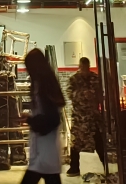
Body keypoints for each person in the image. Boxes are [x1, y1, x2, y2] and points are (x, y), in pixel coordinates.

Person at [22, 48, 65, 184]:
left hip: (45, 148)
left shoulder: (44, 87)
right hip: (45, 149)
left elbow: (51, 118)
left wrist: (31, 120)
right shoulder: (46, 84)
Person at [66, 57, 105, 177]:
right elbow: (69, 94)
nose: (84, 69)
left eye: (86, 67)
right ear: (79, 66)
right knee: (75, 143)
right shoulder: (74, 79)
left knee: (98, 140)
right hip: (79, 116)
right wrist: (82, 95)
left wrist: (96, 100)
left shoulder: (95, 78)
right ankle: (74, 167)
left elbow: (101, 94)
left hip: (93, 116)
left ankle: (105, 164)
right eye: (82, 67)